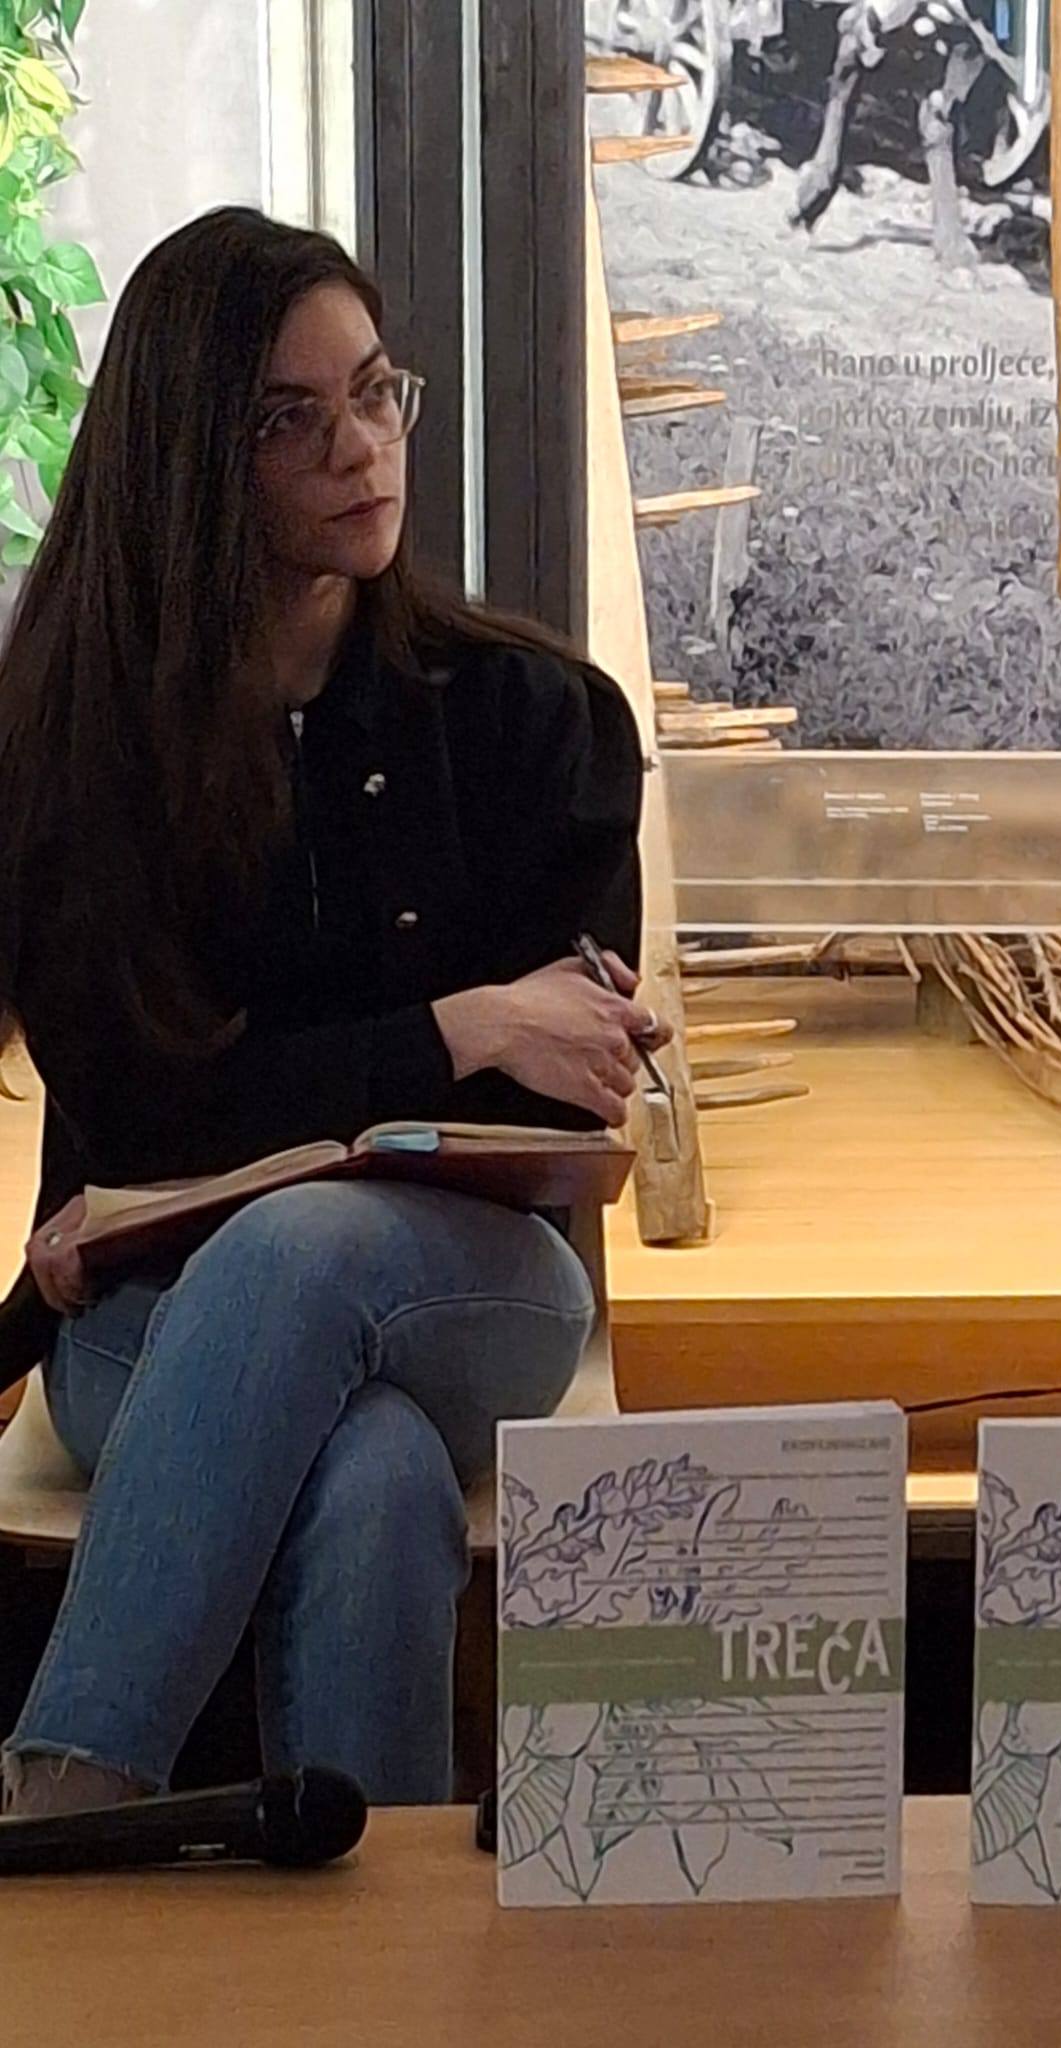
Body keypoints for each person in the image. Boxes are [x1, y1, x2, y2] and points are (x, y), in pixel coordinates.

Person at [0, 209, 661, 1813]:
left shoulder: (537, 719)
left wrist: (316, 1107)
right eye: (291, 420)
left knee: (303, 1243)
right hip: (146, 1312)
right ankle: (380, 1932)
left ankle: (64, 1797)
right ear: (190, 459)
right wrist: (460, 1029)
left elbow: (558, 1113)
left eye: (374, 392)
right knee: (370, 1470)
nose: (361, 449)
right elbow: (140, 1107)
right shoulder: (76, 735)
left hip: (479, 1289)